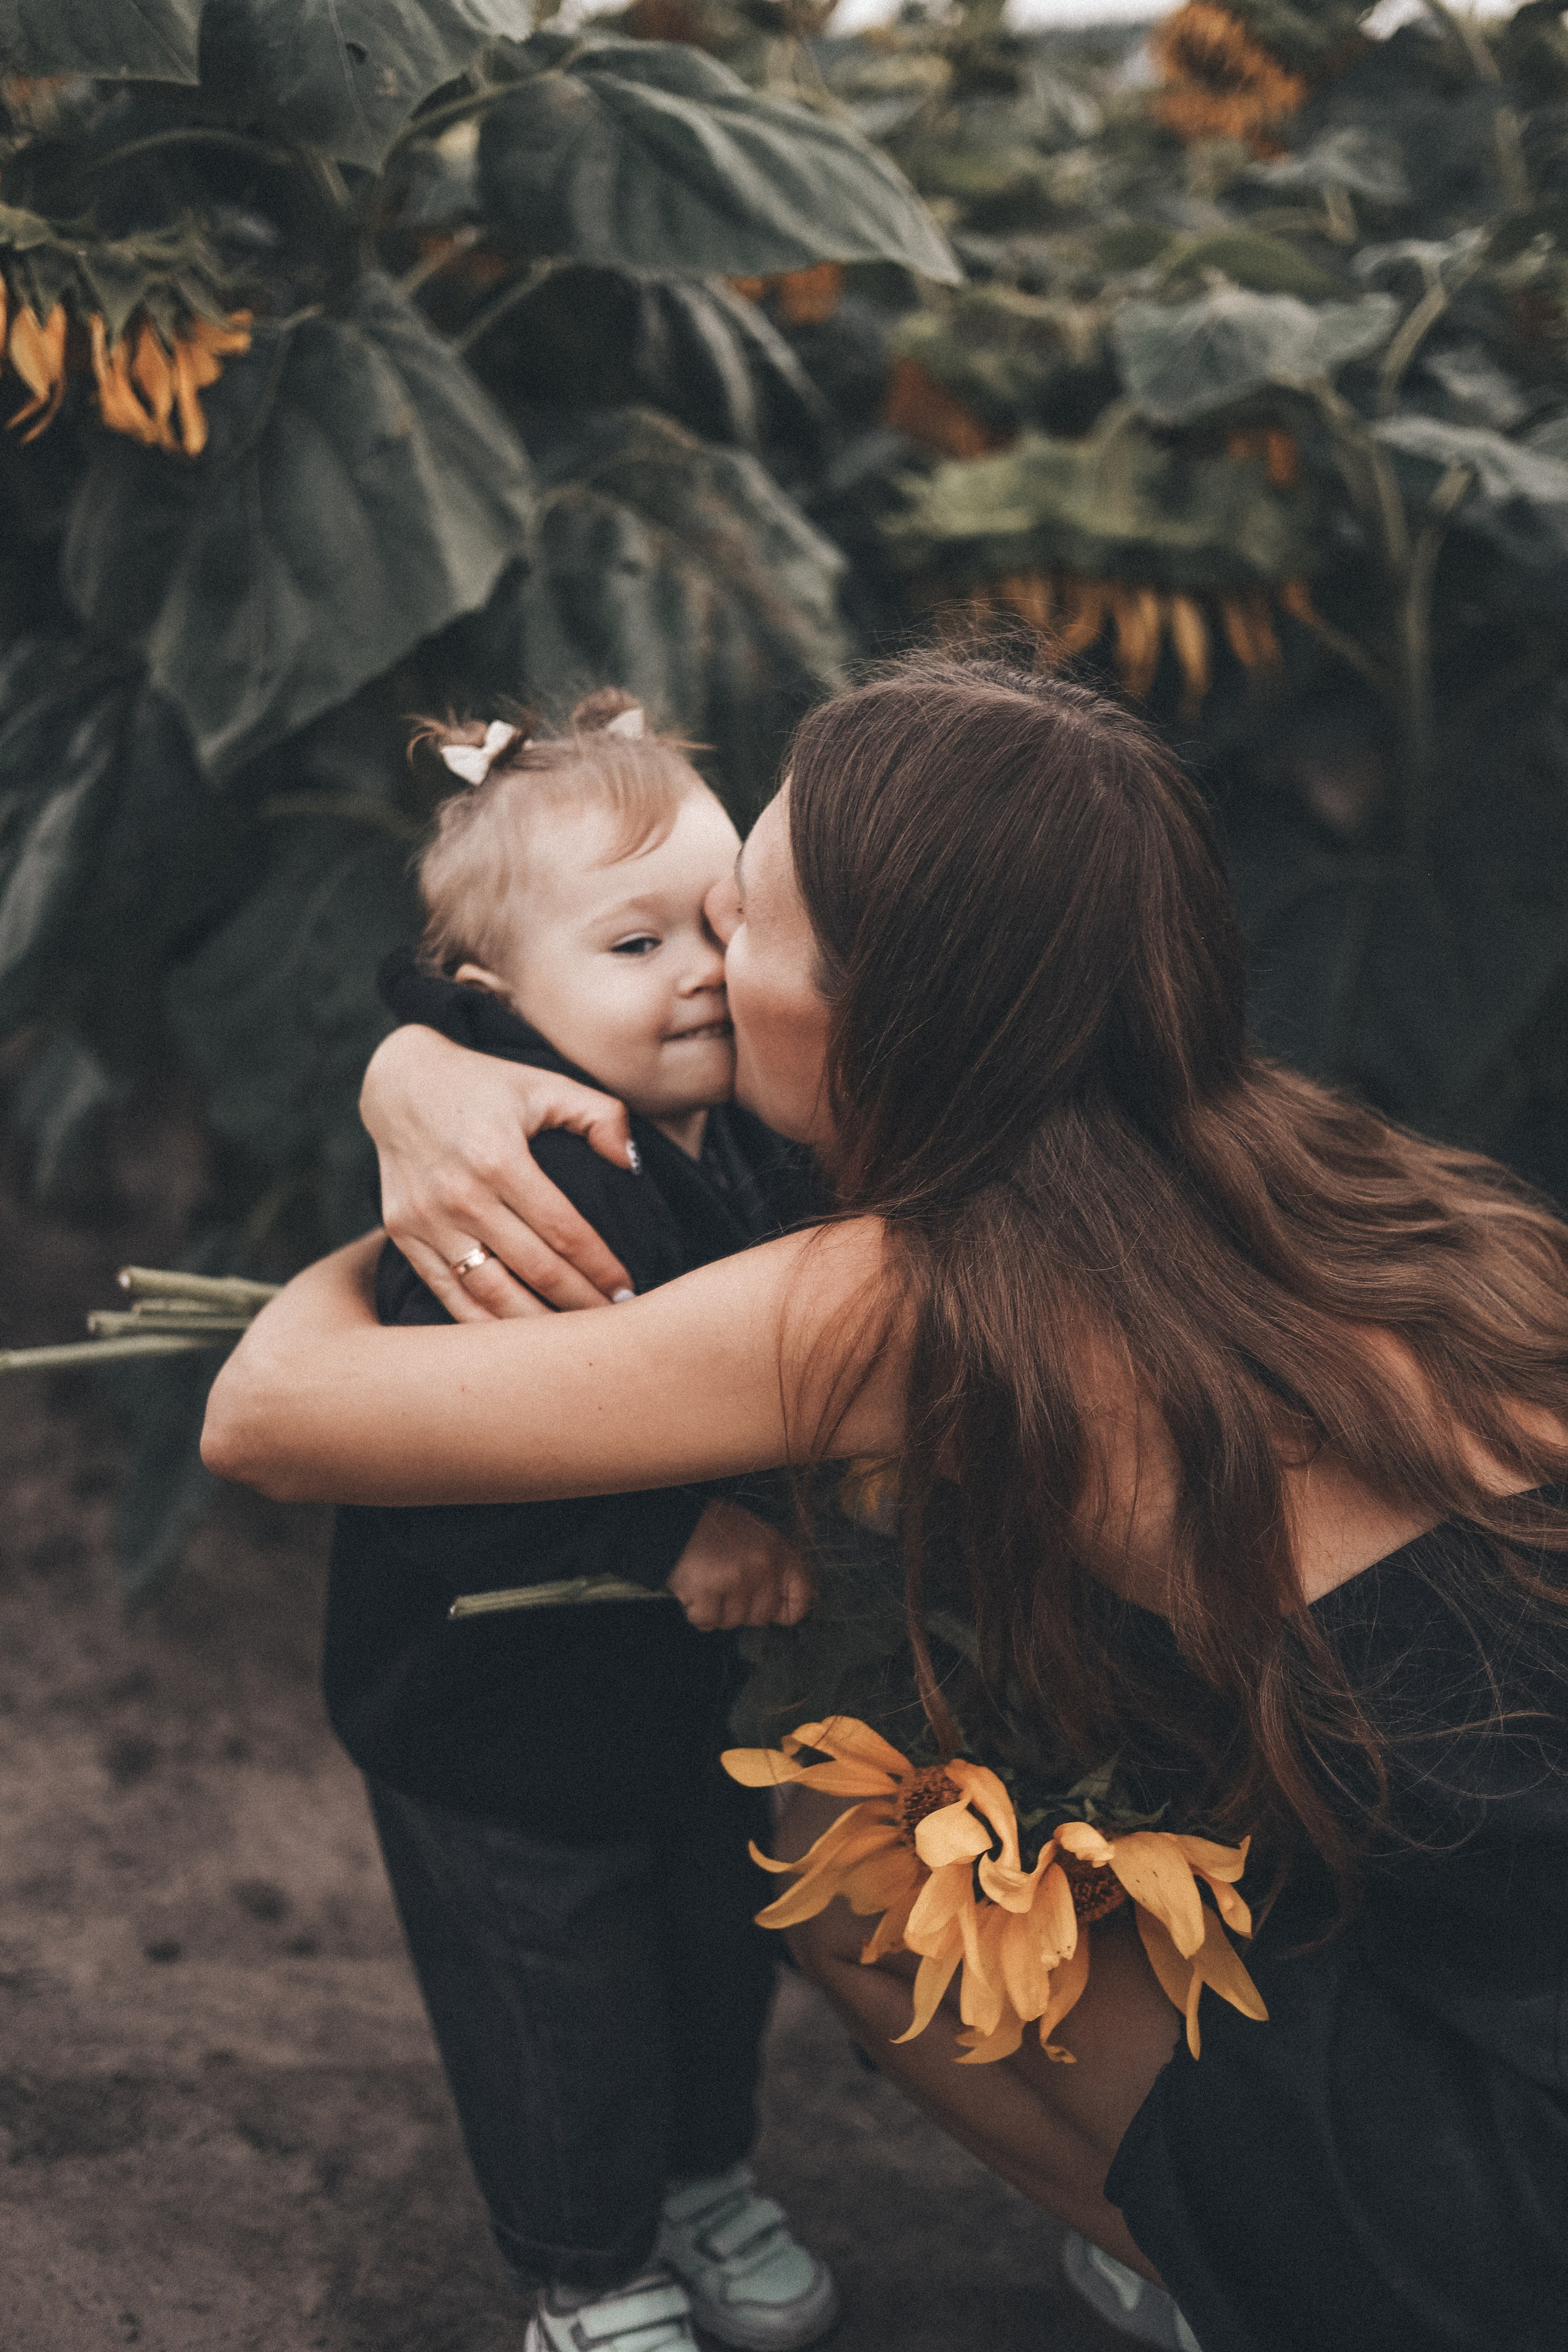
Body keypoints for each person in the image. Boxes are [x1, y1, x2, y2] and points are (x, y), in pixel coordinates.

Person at [204, 655, 1568, 2352]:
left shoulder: (911, 1305)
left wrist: (445, 1149)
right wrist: (429, 1064)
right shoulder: (1313, 1171)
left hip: (1513, 2188)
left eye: (740, 922)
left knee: (852, 1856)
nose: (707, 969)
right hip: (1508, 1960)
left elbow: (267, 1414)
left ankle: (1274, 2284)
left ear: (871, 1009)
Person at [322, 689, 838, 2352]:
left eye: (721, 920)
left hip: (687, 1710)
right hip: (499, 1729)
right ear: (497, 1005)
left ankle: (702, 2174)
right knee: (561, 1999)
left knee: (712, 1954)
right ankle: (586, 2266)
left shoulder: (749, 1130)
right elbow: (441, 1458)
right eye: (635, 944)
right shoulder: (510, 1190)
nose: (698, 967)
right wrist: (669, 1535)